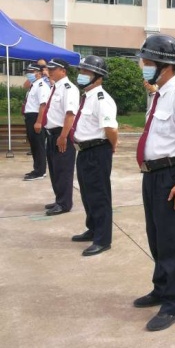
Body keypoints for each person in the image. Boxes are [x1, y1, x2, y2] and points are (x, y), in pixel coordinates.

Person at [133, 34, 175, 332]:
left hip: (172, 176)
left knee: (172, 242)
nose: (144, 66)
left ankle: (174, 304)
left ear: (165, 65)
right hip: (152, 176)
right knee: (156, 237)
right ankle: (161, 289)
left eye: (148, 62)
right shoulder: (159, 94)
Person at [71, 56, 118, 257]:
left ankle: (103, 239)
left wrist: (111, 146)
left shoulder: (102, 99)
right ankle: (93, 228)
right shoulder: (87, 97)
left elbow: (111, 129)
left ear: (98, 77)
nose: (81, 75)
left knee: (99, 195)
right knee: (87, 194)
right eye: (81, 71)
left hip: (97, 151)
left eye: (86, 72)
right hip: (84, 151)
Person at [43, 58, 80, 216]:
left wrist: (63, 136)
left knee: (63, 170)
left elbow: (70, 115)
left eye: (53, 69)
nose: (49, 71)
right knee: (54, 170)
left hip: (61, 134)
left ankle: (64, 203)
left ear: (63, 71)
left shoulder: (68, 89)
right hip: (52, 134)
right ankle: (59, 199)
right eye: (49, 69)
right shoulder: (55, 87)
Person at [22, 63, 50, 181]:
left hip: (36, 117)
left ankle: (40, 171)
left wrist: (39, 122)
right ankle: (37, 168)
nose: (29, 74)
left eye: (31, 71)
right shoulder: (34, 85)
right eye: (28, 72)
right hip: (30, 117)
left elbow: (43, 105)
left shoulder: (41, 85)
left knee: (38, 145)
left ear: (38, 73)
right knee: (34, 145)